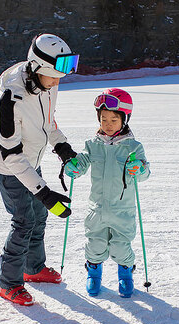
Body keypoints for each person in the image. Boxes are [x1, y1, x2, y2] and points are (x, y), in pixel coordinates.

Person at [0, 33, 80, 306]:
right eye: (53, 77)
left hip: (32, 160)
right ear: (37, 67)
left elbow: (48, 121)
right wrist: (45, 192)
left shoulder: (47, 81)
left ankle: (33, 268)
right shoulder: (10, 98)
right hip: (9, 167)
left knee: (39, 214)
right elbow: (12, 155)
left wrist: (62, 147)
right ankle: (9, 283)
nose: (57, 82)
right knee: (24, 220)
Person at [63, 88, 150, 298]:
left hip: (123, 210)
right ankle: (94, 272)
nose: (108, 124)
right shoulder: (92, 145)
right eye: (103, 119)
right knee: (95, 244)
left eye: (113, 119)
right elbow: (82, 161)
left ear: (124, 119)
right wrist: (73, 166)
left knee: (121, 247)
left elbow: (144, 172)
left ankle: (126, 273)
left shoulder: (133, 147)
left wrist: (139, 168)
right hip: (97, 208)